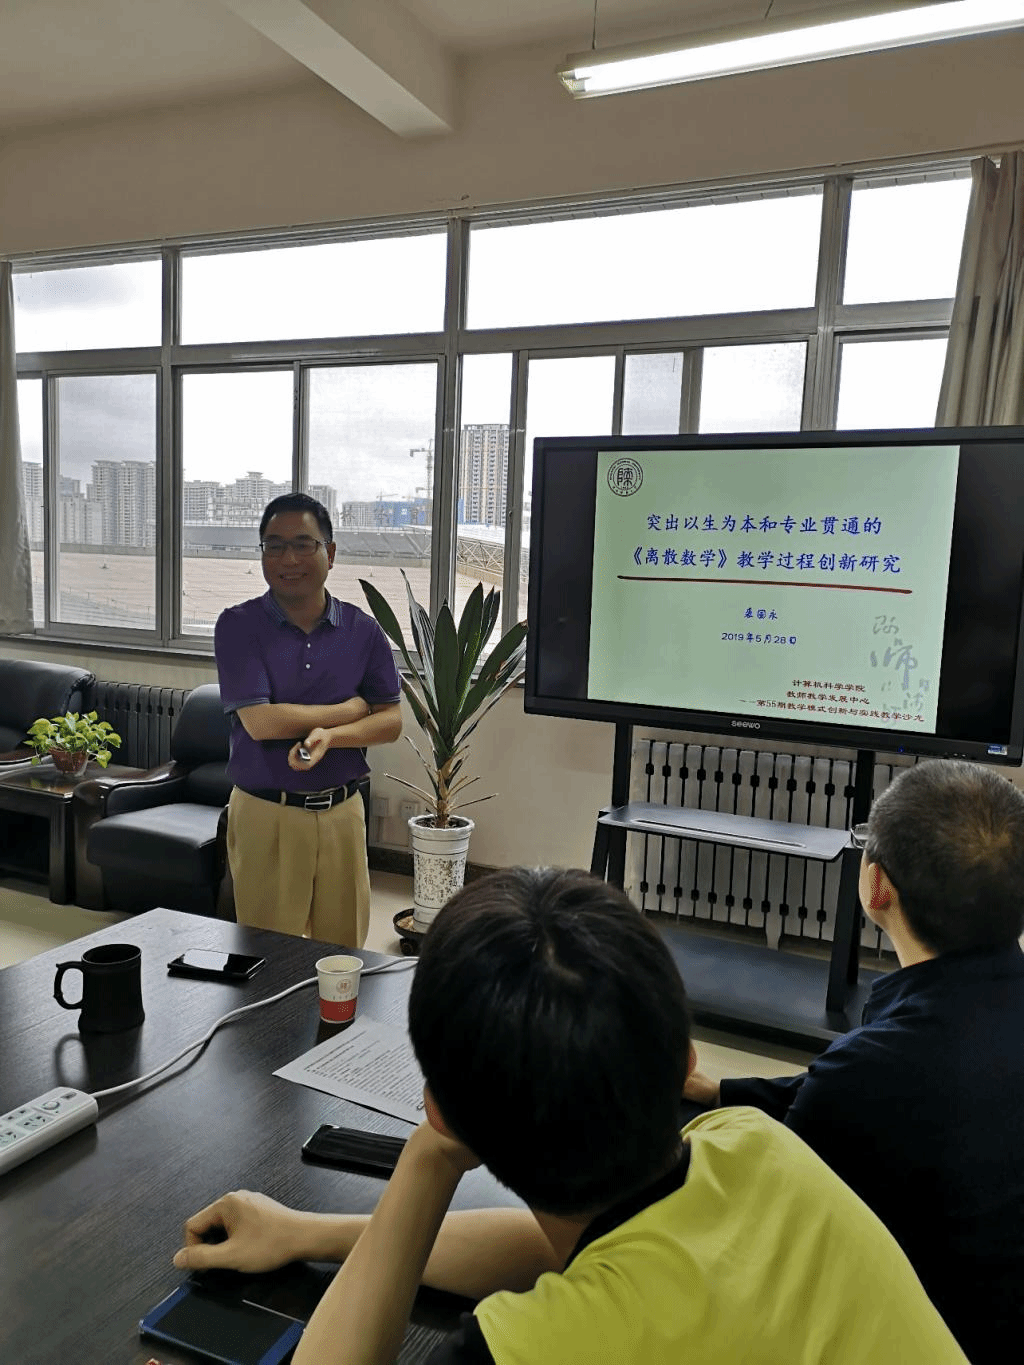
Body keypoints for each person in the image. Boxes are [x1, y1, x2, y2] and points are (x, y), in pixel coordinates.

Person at [173, 867, 967, 1365]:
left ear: (440, 1109)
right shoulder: (758, 1143)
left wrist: (431, 1150)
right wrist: (310, 1232)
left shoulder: (533, 1346)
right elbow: (562, 1244)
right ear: (687, 1063)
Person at [686, 758, 1024, 1365]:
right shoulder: (875, 1067)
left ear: (875, 887)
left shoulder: (865, 1079)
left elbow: (757, 1236)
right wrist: (723, 1090)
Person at [214, 492, 402, 947]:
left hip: (343, 814)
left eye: (303, 544)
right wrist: (349, 711)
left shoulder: (363, 630)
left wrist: (329, 737)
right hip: (266, 814)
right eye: (274, 546)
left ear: (330, 553)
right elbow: (261, 723)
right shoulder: (238, 626)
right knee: (267, 958)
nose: (288, 559)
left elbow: (391, 721)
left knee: (344, 956)